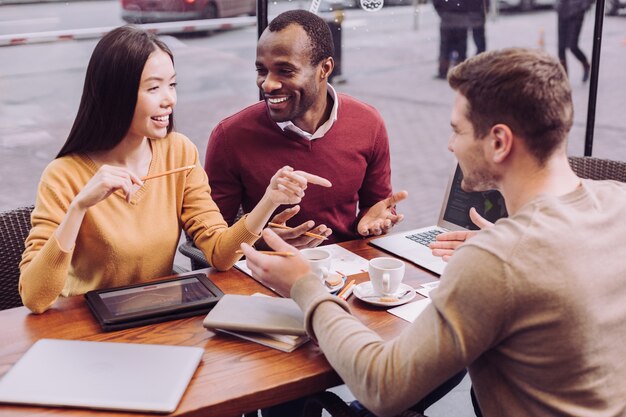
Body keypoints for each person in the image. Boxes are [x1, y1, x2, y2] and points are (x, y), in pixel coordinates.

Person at [241, 48, 626, 416]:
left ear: (498, 142)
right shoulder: (617, 202)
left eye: (457, 131)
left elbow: (382, 387)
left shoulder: (500, 259)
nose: (449, 145)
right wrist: (512, 246)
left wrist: (305, 287)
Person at [18, 26, 330, 314]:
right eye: (154, 88)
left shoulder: (178, 151)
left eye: (172, 85)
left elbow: (220, 254)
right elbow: (34, 298)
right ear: (114, 94)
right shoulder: (62, 175)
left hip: (162, 317)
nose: (170, 100)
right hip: (86, 327)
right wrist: (79, 207)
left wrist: (270, 200)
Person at [204, 10, 407, 249]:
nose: (268, 84)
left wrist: (375, 221)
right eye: (262, 70)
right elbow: (207, 241)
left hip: (344, 270)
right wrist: (262, 240)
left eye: (285, 71)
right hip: (264, 275)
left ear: (325, 68)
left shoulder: (367, 122)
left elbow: (378, 206)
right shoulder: (230, 136)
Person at [556, 0, 593, 82]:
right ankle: (564, 79)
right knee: (561, 48)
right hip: (562, 10)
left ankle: (586, 64)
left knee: (573, 46)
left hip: (576, 12)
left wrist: (584, 5)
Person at [432, 0, 470, 79]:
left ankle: (443, 71)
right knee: (461, 48)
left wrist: (442, 13)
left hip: (447, 19)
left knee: (445, 48)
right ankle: (461, 72)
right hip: (461, 19)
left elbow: (436, 3)